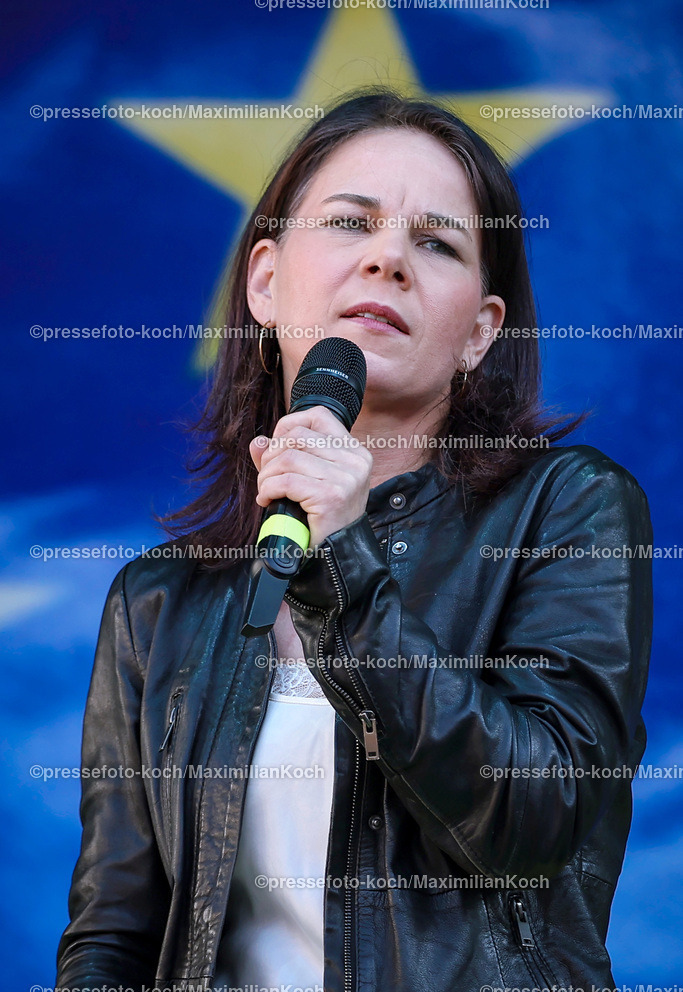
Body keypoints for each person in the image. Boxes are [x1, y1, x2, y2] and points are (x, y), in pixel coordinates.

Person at [56, 88, 652, 992]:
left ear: (480, 334)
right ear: (265, 280)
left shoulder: (570, 512)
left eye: (436, 242)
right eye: (350, 223)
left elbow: (536, 819)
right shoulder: (156, 603)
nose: (387, 260)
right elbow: (114, 935)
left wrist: (345, 567)